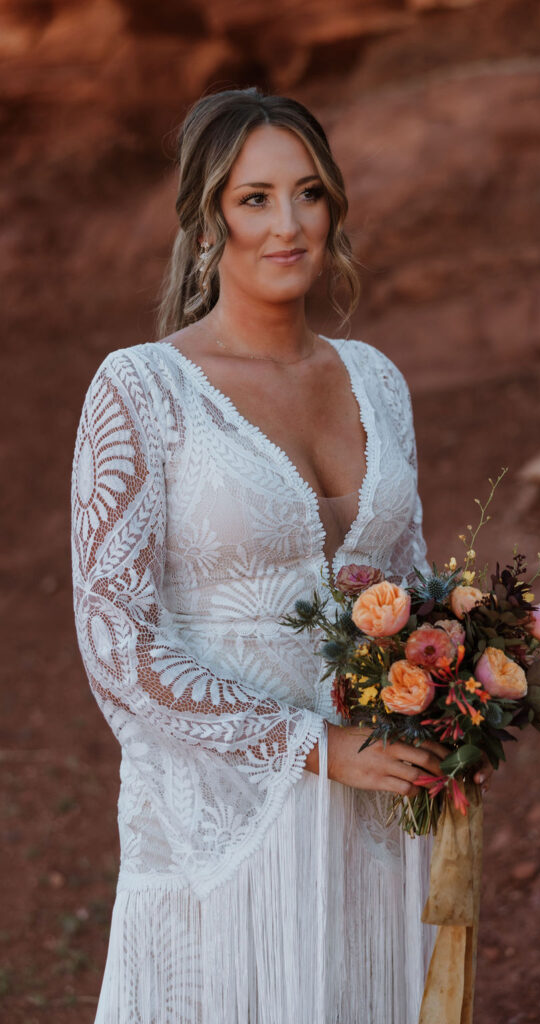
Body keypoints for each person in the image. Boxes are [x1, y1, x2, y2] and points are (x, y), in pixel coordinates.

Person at [70, 86, 492, 1024]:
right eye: (254, 197)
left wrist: (464, 703)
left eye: (308, 192)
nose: (288, 224)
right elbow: (117, 645)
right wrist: (315, 748)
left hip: (379, 812)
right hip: (223, 820)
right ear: (207, 216)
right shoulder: (142, 390)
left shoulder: (375, 379)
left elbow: (412, 588)